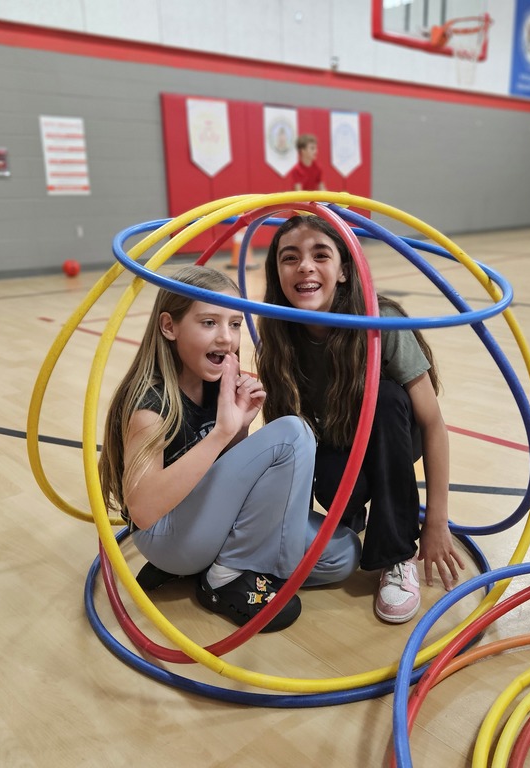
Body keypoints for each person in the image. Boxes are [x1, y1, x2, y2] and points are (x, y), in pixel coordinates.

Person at [98, 265, 359, 633]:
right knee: (292, 434)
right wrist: (222, 433)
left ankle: (226, 562)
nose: (227, 338)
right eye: (209, 323)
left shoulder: (217, 384)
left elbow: (225, 476)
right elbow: (143, 511)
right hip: (168, 536)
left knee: (343, 555)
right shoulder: (150, 405)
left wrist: (240, 427)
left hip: (208, 525)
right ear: (169, 327)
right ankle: (225, 575)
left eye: (235, 324)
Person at [256, 215, 465, 625]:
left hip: (395, 435)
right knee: (324, 474)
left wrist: (436, 523)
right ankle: (354, 513)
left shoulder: (380, 321)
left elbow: (434, 425)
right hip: (336, 435)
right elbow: (282, 432)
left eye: (321, 255)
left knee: (386, 398)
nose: (305, 267)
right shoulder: (280, 333)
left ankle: (395, 553)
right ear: (276, 272)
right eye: (289, 257)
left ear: (345, 271)